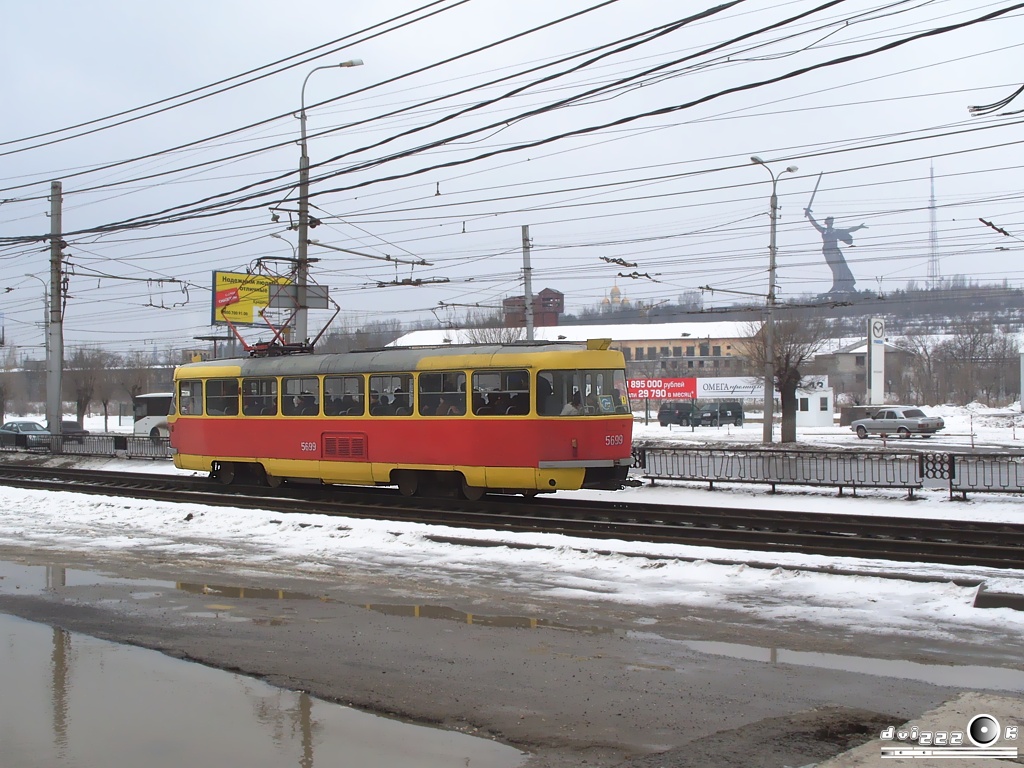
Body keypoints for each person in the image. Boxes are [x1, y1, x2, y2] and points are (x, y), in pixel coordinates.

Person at [805, 209, 867, 294]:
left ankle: (840, 286)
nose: (831, 223)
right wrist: (809, 215)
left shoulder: (836, 231)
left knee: (842, 268)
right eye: (829, 222)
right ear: (826, 223)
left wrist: (858, 227)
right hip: (828, 251)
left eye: (832, 222)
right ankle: (836, 286)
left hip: (835, 251)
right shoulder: (824, 231)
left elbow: (849, 230)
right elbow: (814, 223)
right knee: (835, 269)